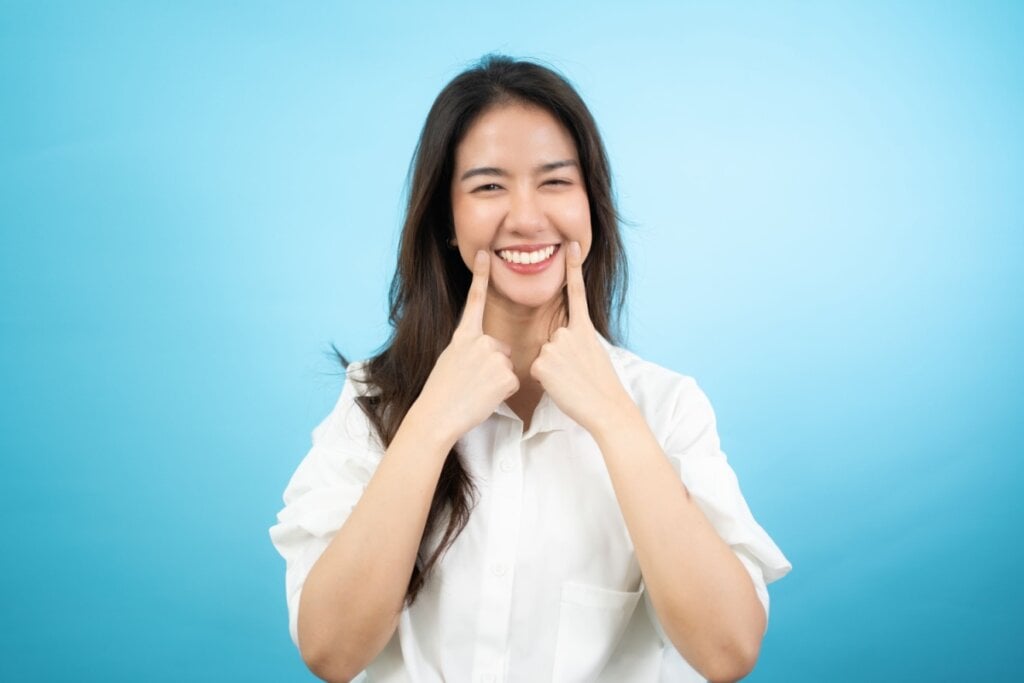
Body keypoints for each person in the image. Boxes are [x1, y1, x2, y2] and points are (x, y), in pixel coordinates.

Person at [269, 54, 791, 682]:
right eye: (489, 185)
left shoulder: (665, 406)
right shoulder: (374, 401)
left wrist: (616, 423)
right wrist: (431, 423)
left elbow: (728, 651)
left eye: (555, 181)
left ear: (590, 204)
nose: (525, 217)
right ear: (446, 221)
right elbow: (330, 650)